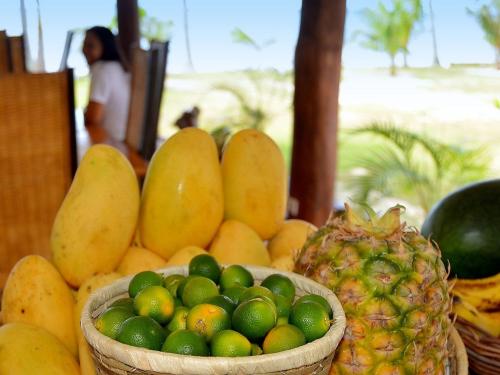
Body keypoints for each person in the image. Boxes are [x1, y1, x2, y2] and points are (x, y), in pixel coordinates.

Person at [82, 26, 130, 143]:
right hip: (123, 137)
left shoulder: (102, 70)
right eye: (84, 45)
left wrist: (86, 113)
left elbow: (93, 118)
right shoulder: (119, 68)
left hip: (114, 141)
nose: (84, 50)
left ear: (105, 46)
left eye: (90, 46)